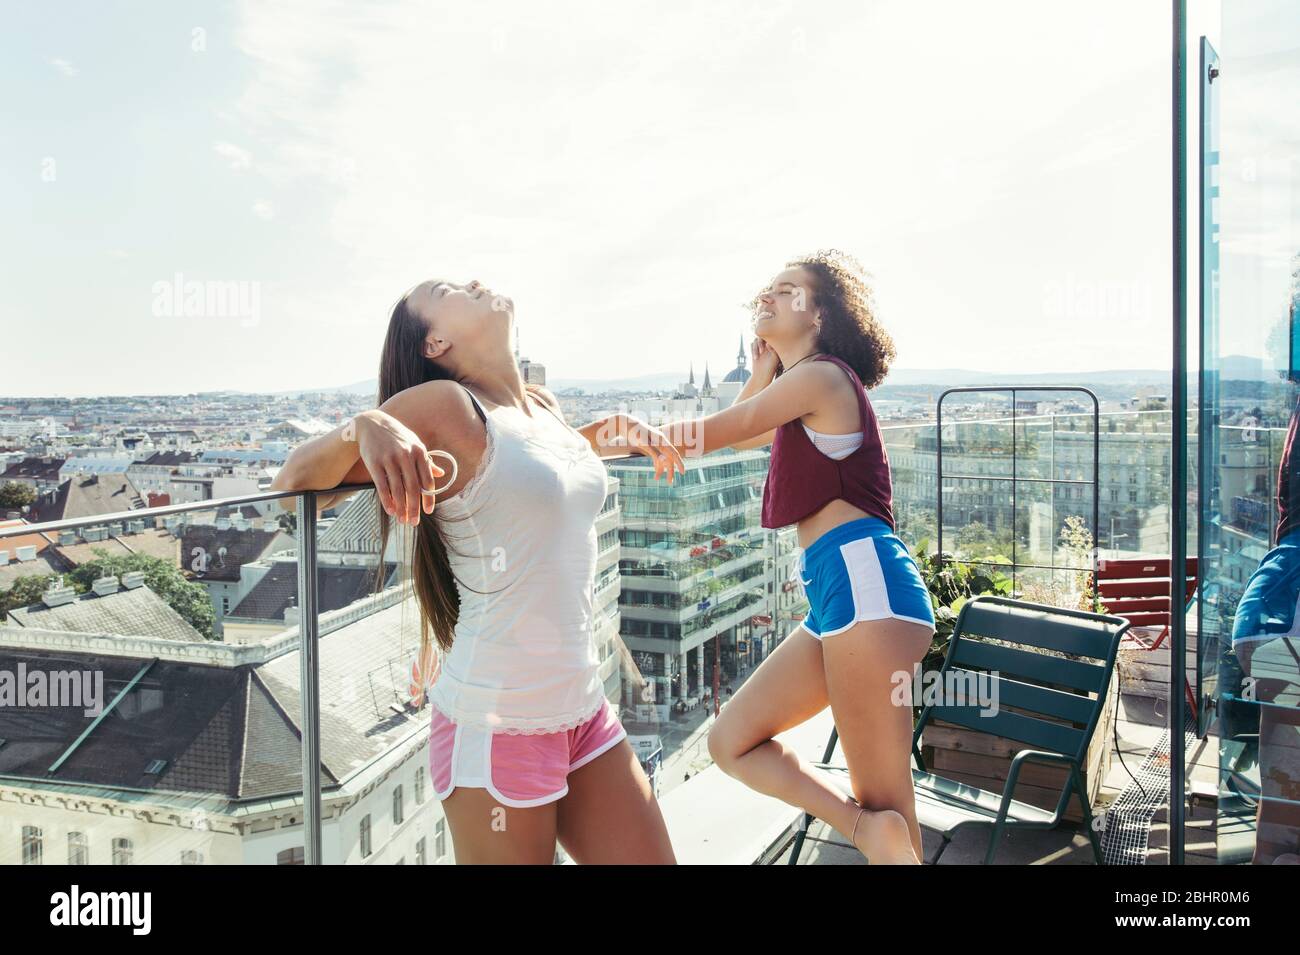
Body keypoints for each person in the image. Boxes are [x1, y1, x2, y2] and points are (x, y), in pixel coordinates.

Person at [272, 278, 685, 864]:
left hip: (582, 707)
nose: (472, 283)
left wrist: (605, 433)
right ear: (435, 341)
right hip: (498, 723)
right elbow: (291, 490)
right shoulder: (442, 405)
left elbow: (530, 468)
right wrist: (362, 426)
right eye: (447, 290)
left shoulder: (541, 406)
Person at [638, 249, 934, 863]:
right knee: (731, 741)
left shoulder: (823, 376)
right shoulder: (802, 389)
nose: (766, 298)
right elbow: (748, 429)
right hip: (838, 590)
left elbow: (727, 426)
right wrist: (765, 365)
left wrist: (627, 437)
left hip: (865, 582)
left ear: (820, 314)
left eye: (787, 290)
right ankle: (860, 829)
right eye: (766, 291)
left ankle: (872, 829)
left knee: (888, 804)